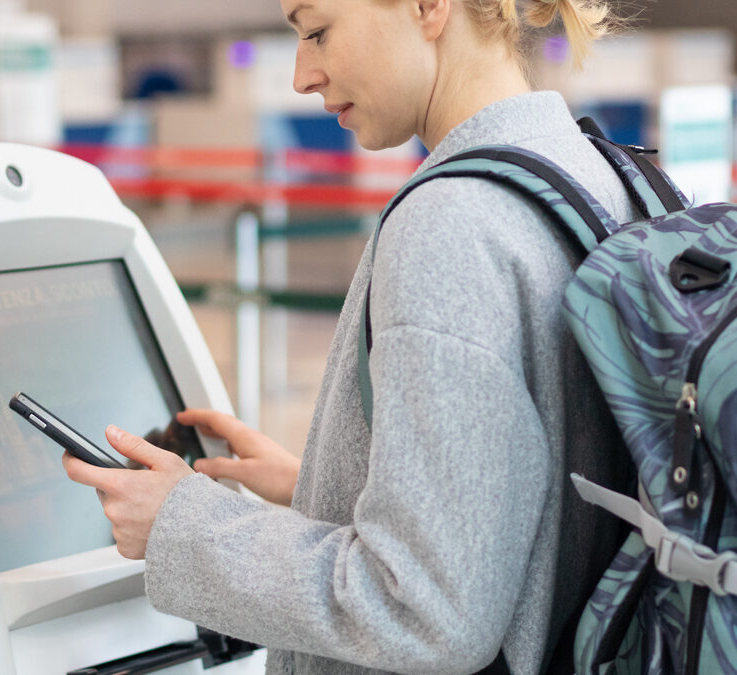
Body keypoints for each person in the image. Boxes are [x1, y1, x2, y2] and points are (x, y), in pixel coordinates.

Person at [63, 0, 635, 672]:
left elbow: (427, 611)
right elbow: (524, 509)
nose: (303, 75)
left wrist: (183, 525)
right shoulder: (604, 175)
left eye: (317, 30)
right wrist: (320, 487)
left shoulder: (450, 223)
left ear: (428, 7)